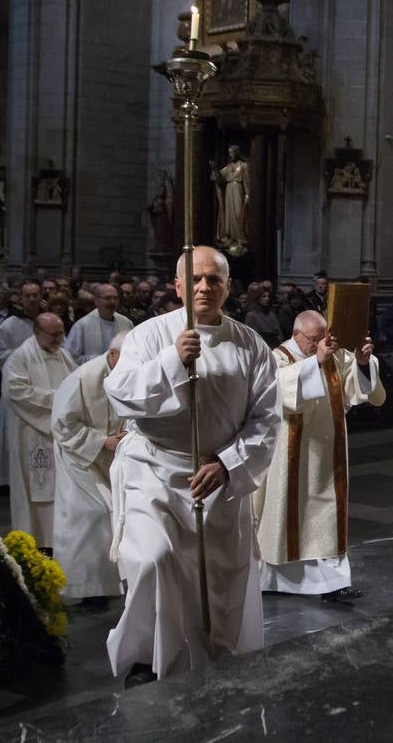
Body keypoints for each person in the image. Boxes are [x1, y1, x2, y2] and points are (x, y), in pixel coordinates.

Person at [104, 246, 277, 685]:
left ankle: (217, 657)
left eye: (214, 279)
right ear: (178, 286)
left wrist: (226, 463)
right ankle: (145, 657)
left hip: (217, 478)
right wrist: (172, 360)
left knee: (217, 583)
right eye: (195, 279)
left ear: (228, 286)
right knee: (154, 560)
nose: (204, 287)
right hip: (155, 472)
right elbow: (121, 394)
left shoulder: (250, 344)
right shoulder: (148, 336)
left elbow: (266, 418)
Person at [254, 311, 384, 597]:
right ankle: (275, 581)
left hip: (328, 450)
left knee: (325, 515)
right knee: (287, 513)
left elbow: (360, 388)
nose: (320, 344)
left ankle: (332, 583)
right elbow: (276, 393)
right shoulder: (277, 357)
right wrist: (316, 363)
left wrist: (363, 362)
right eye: (313, 340)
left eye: (323, 338)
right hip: (288, 456)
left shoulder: (332, 354)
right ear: (296, 334)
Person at [50, 332, 126, 600]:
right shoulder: (82, 378)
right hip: (78, 456)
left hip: (110, 455)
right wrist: (103, 441)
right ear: (112, 353)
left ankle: (105, 585)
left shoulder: (126, 372)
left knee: (114, 513)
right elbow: (62, 426)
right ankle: (79, 584)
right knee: (92, 513)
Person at [2, 313, 75, 548]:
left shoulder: (63, 355)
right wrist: (59, 399)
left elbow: (77, 384)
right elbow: (17, 393)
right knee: (35, 491)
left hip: (60, 435)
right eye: (53, 334)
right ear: (37, 331)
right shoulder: (19, 358)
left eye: (61, 333)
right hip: (31, 433)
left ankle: (59, 538)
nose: (59, 339)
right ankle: (35, 541)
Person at [0, 281, 45, 486]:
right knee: (10, 434)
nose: (31, 299)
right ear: (20, 298)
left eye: (35, 295)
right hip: (16, 388)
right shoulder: (9, 325)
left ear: (41, 296)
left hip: (40, 387)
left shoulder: (46, 322)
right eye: (27, 295)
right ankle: (6, 478)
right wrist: (26, 354)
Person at [64, 283, 133, 364]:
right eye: (107, 298)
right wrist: (101, 360)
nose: (112, 302)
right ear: (96, 300)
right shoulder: (82, 325)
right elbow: (69, 358)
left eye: (115, 298)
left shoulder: (126, 322)